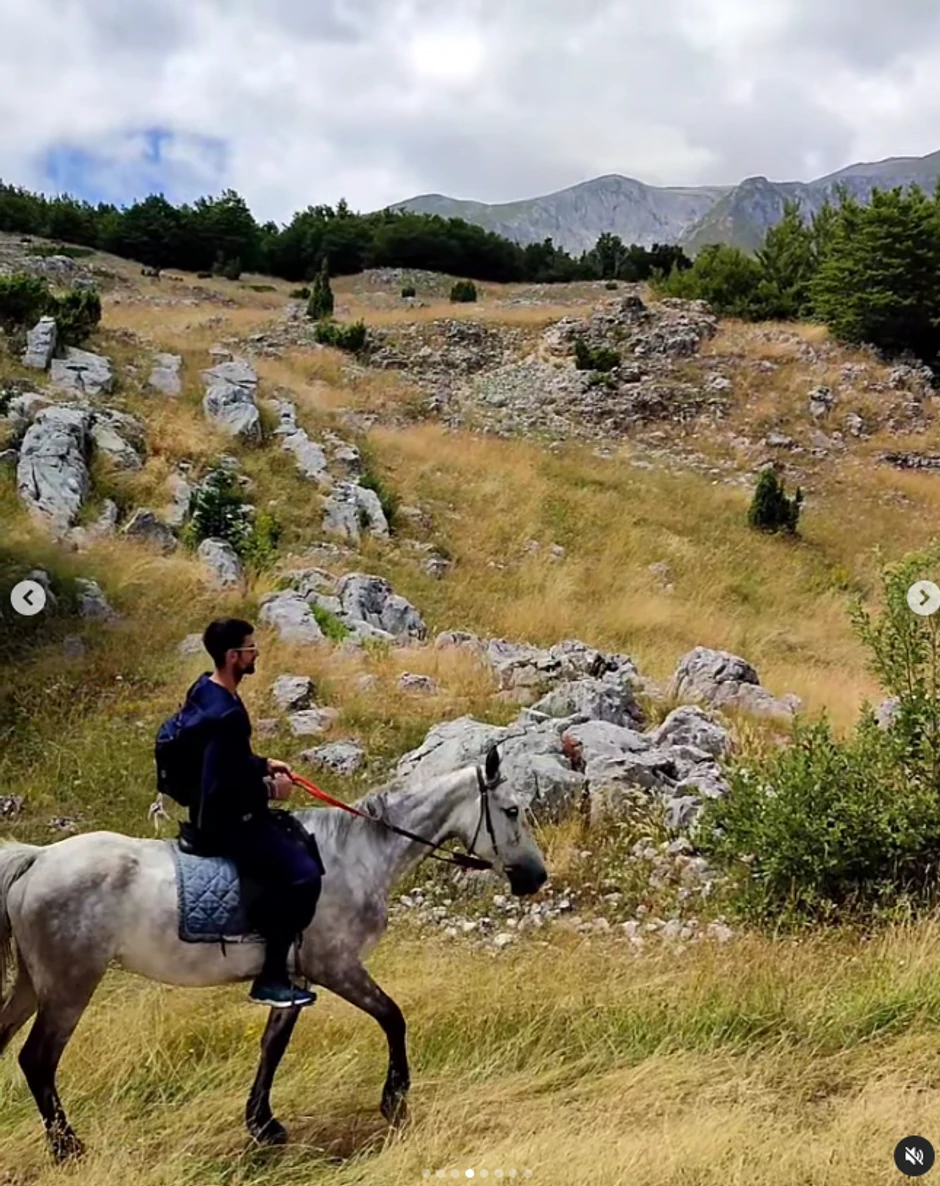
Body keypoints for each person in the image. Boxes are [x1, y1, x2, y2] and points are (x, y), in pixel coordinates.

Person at [183, 617, 322, 1008]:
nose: (255, 653)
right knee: (304, 875)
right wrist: (269, 790)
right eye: (249, 648)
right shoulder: (229, 712)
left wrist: (263, 763)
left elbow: (225, 758)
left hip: (205, 808)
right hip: (228, 820)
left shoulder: (205, 691)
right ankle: (272, 977)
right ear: (233, 657)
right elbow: (224, 779)